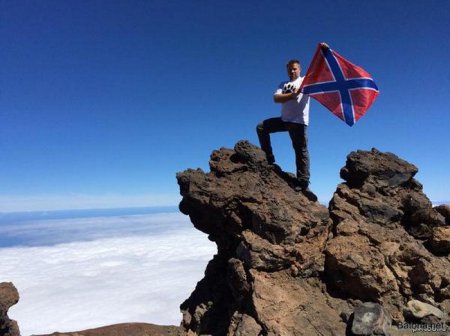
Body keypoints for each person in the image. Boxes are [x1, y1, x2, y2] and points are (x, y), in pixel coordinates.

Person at [256, 50, 326, 200]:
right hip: (284, 120)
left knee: (301, 151)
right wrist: (291, 95)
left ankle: (303, 181)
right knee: (261, 127)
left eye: (294, 68)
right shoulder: (283, 84)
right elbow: (276, 98)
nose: (292, 71)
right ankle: (269, 157)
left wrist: (323, 52)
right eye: (290, 69)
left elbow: (319, 70)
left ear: (299, 69)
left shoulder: (306, 81)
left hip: (299, 122)